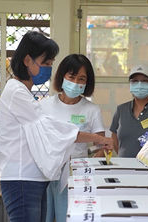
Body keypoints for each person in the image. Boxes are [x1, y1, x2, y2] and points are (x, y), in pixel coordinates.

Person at [0, 31, 113, 222]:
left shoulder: (24, 92)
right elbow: (53, 130)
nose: (49, 69)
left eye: (51, 64)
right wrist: (99, 139)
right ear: (28, 60)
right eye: (46, 63)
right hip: (22, 179)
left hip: (38, 178)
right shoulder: (16, 92)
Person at [40, 54, 105, 222]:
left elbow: (101, 146)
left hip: (76, 176)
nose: (76, 82)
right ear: (62, 76)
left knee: (68, 217)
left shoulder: (91, 110)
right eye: (72, 76)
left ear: (87, 83)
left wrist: (87, 172)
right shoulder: (44, 106)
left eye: (81, 78)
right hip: (45, 174)